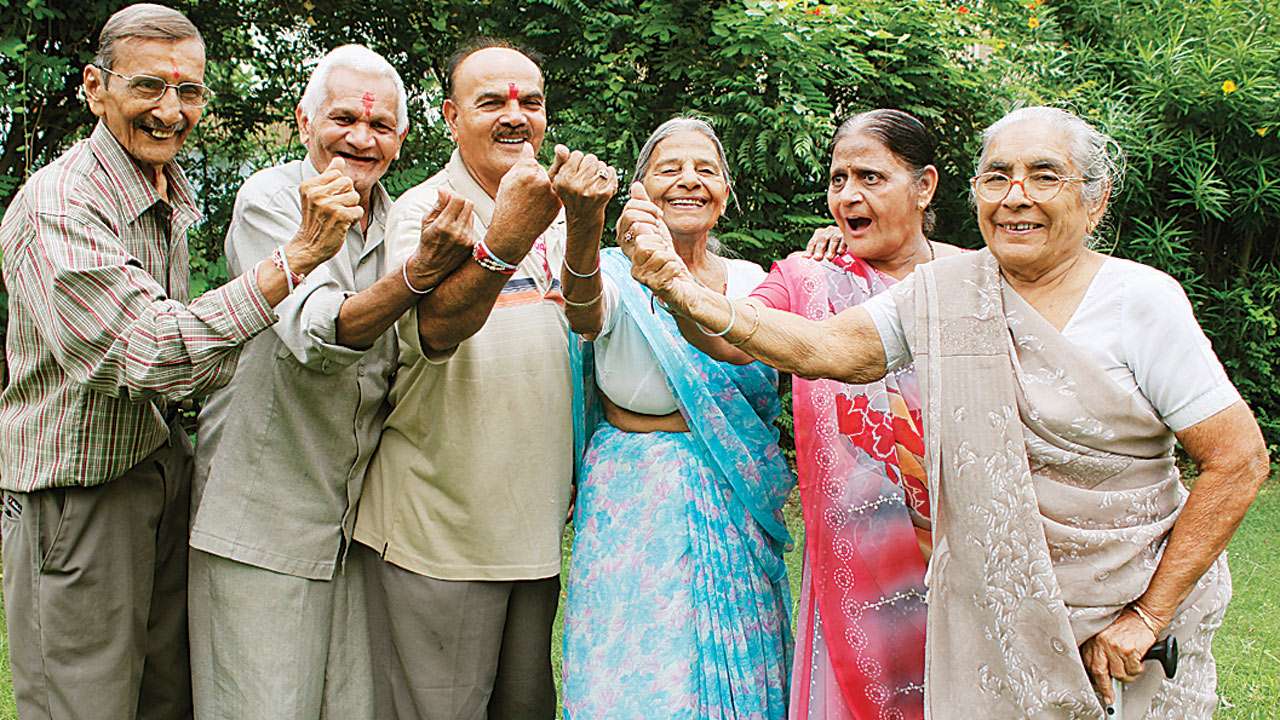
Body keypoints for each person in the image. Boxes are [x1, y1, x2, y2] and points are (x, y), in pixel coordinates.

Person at [623, 106, 1270, 718]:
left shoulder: (1139, 301)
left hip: (1120, 631)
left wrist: (1149, 616)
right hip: (987, 617)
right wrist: (681, 288)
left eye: (1044, 176)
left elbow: (1238, 460)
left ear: (1095, 200)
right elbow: (825, 347)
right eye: (998, 177)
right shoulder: (946, 293)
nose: (1016, 195)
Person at [0, 5, 357, 719]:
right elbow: (147, 352)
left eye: (188, 90)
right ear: (95, 88)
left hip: (158, 470)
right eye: (148, 87)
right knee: (84, 704)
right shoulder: (61, 205)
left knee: (167, 703)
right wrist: (293, 262)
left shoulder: (158, 187)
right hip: (78, 499)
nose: (170, 111)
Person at [624, 110, 961, 720]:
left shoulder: (971, 278)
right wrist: (677, 290)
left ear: (924, 186)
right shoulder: (807, 278)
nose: (848, 195)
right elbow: (730, 339)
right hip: (861, 559)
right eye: (838, 179)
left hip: (964, 544)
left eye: (870, 178)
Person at [185, 44, 473, 720]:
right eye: (344, 118)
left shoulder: (403, 220)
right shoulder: (271, 201)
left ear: (402, 139)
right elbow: (317, 337)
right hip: (263, 525)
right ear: (304, 120)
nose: (361, 138)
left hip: (358, 531)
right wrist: (421, 275)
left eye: (380, 125)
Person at [350, 38, 613, 719]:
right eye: (491, 101)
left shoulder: (552, 206)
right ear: (450, 116)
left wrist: (585, 224)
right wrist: (508, 235)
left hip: (533, 532)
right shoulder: (425, 210)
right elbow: (435, 330)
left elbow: (587, 321)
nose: (515, 115)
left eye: (531, 102)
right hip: (439, 533)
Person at [559, 117, 794, 719]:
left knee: (744, 649)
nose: (689, 180)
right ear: (640, 190)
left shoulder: (754, 282)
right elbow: (583, 312)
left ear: (725, 194)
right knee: (643, 658)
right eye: (670, 169)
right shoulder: (611, 271)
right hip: (634, 492)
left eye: (705, 170)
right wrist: (585, 229)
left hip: (734, 487)